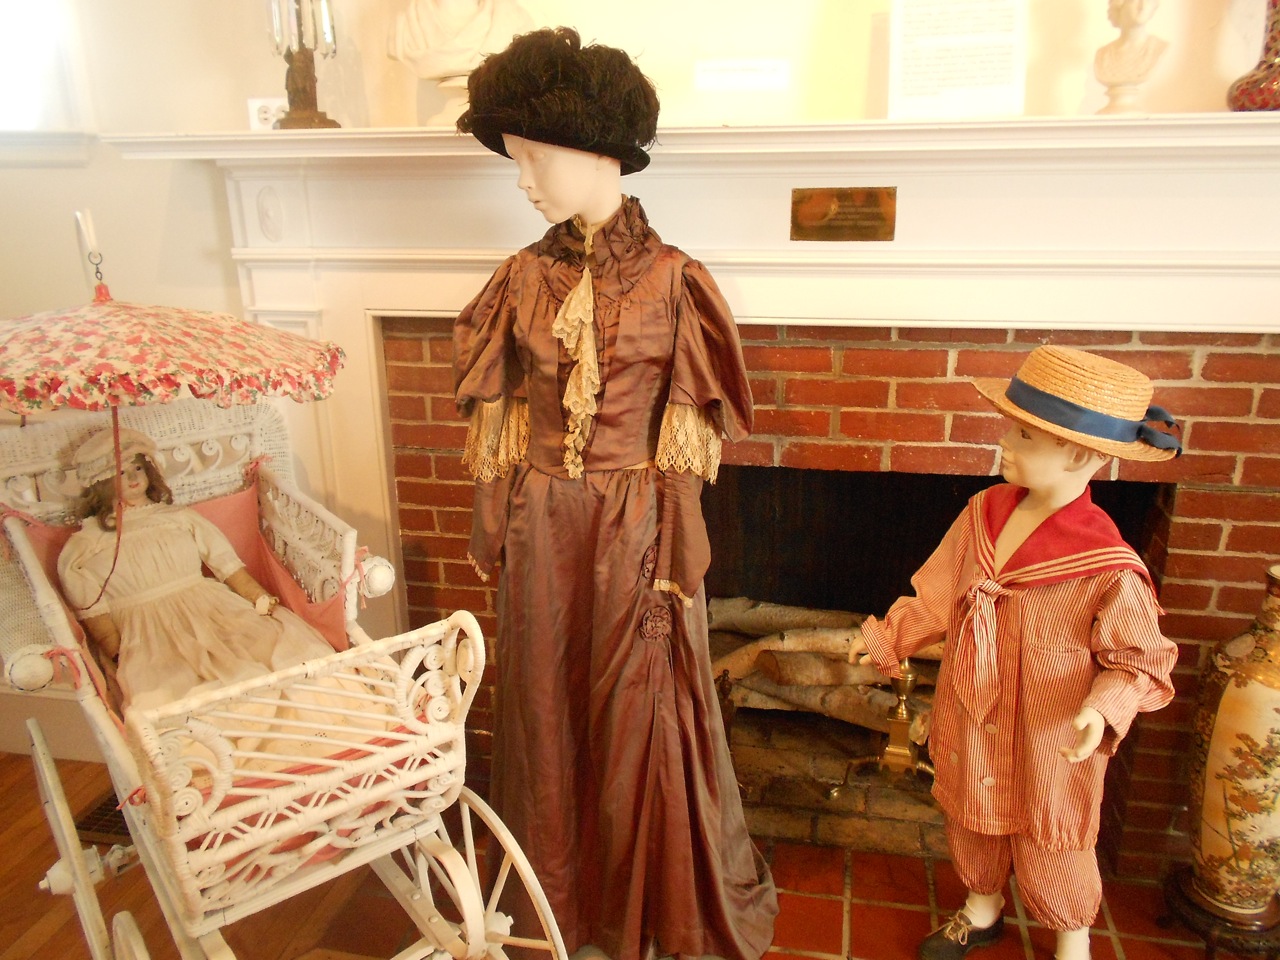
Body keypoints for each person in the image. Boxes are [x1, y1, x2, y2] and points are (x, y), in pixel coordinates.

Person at [452, 27, 777, 960]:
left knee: (637, 706)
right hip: (543, 522)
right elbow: (506, 418)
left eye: (535, 158)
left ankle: (640, 907)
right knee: (543, 705)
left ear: (598, 149)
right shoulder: (520, 278)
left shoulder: (675, 282)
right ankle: (561, 901)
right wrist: (497, 520)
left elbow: (684, 434)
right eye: (514, 160)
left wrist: (678, 544)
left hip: (633, 525)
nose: (523, 181)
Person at [847, 345, 1181, 960]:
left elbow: (1139, 658)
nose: (1004, 440)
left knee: (1052, 831)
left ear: (1078, 453)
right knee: (971, 807)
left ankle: (1072, 938)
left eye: (1023, 434)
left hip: (1051, 729)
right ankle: (982, 907)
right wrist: (890, 637)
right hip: (974, 708)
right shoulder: (982, 514)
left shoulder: (1108, 566)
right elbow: (939, 593)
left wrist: (1102, 709)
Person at [58, 427, 344, 716]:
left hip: (209, 606)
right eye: (121, 472)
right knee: (171, 683)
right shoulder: (88, 541)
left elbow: (223, 561)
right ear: (102, 481)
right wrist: (114, 647)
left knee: (265, 646)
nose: (133, 477)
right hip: (145, 628)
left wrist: (255, 595)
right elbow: (91, 603)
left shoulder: (176, 518)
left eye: (138, 468)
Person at [1094, 0, 1167, 113]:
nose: (1142, 6)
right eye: (1133, 1)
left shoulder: (1157, 48)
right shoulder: (1103, 54)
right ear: (1118, 5)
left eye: (1148, 1)